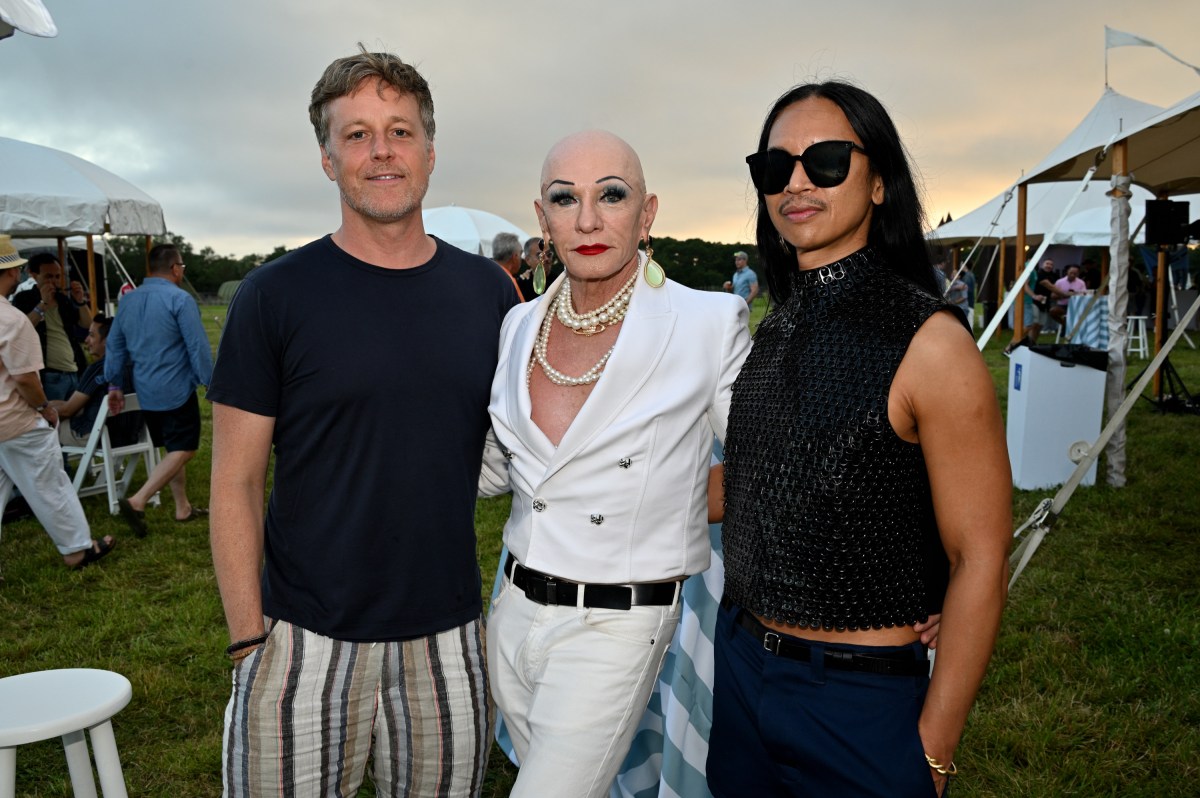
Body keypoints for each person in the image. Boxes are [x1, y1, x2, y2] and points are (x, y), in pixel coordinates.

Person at [208, 46, 515, 797]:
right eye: (357, 134)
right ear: (326, 159)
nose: (382, 151)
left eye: (400, 131)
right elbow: (236, 483)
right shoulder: (272, 297)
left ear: (431, 152)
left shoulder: (491, 297)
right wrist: (251, 639)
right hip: (302, 636)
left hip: (448, 634)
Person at [708, 81, 1011, 797]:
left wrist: (933, 750)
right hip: (744, 672)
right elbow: (751, 487)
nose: (797, 182)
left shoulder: (930, 342)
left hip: (857, 703)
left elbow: (982, 556)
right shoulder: (775, 328)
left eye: (827, 160)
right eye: (775, 168)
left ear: (878, 181)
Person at [477, 130, 751, 798]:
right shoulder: (519, 326)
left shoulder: (708, 321)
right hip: (510, 613)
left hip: (618, 625)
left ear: (648, 212)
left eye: (612, 195)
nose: (589, 219)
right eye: (565, 199)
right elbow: (494, 470)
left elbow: (763, 473)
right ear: (542, 220)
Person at [0, 235, 114, 573]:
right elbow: (24, 379)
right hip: (15, 419)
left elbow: (83, 328)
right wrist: (44, 408)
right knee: (50, 482)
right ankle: (77, 549)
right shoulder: (12, 319)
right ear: (12, 273)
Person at [105, 244, 212, 533]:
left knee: (171, 449)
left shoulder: (128, 301)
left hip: (146, 391)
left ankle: (183, 508)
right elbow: (197, 346)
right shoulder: (180, 299)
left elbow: (114, 346)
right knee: (185, 448)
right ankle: (139, 499)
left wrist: (114, 383)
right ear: (176, 268)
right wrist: (211, 382)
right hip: (175, 389)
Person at [49, 314, 141, 447]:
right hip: (131, 435)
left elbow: (67, 410)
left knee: (40, 430)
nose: (86, 340)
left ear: (108, 340)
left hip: (99, 436)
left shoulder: (99, 368)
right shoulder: (136, 363)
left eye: (91, 335)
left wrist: (39, 412)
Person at [12, 252, 93, 400]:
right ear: (33, 275)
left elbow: (87, 324)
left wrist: (81, 301)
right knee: (54, 419)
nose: (54, 281)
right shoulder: (24, 299)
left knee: (75, 419)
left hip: (74, 370)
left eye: (57, 276)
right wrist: (43, 304)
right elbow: (22, 329)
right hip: (49, 375)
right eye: (48, 276)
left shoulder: (63, 299)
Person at [1004, 257, 1059, 355]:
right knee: (1028, 325)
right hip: (1025, 300)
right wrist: (1034, 296)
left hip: (1025, 301)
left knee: (1028, 325)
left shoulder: (1030, 268)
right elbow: (1024, 285)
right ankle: (1010, 347)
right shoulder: (1028, 268)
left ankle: (1017, 345)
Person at [492, 231, 531, 301]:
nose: (521, 258)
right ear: (515, 257)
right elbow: (520, 309)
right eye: (520, 253)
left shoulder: (485, 272)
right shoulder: (508, 281)